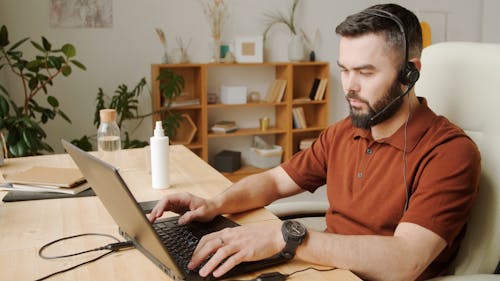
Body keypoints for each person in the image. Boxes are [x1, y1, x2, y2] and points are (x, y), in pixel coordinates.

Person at [149, 3, 481, 281]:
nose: (348, 86)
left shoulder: (450, 152)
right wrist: (215, 205)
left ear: (410, 73)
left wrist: (287, 238)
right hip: (323, 271)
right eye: (344, 70)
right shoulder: (342, 132)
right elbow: (275, 181)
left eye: (365, 73)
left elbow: (406, 260)